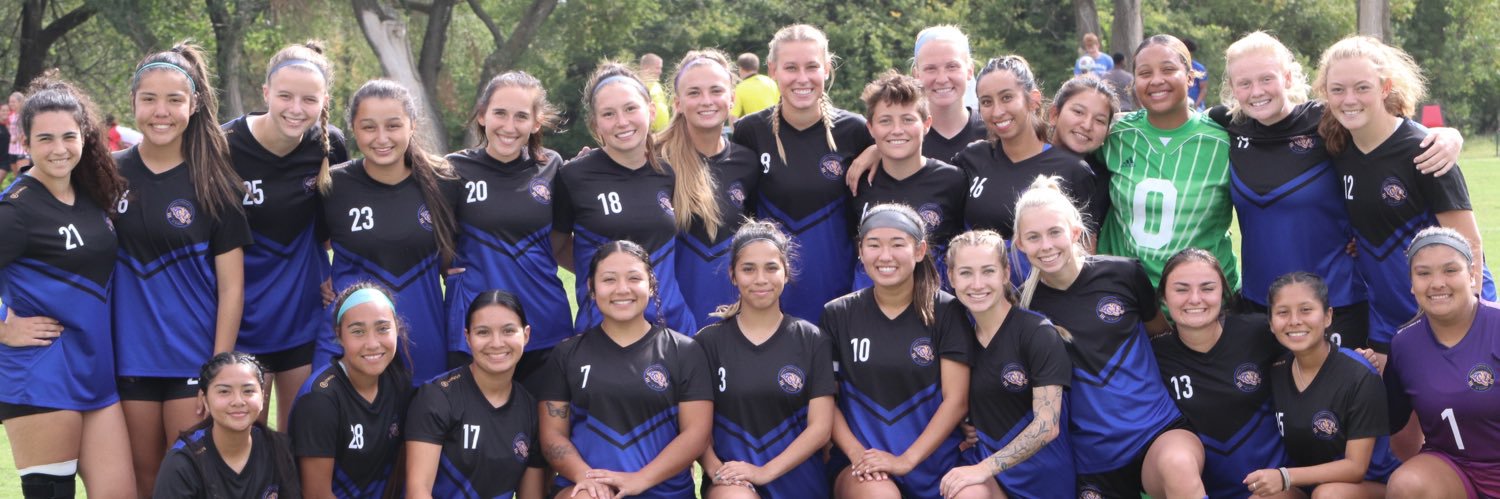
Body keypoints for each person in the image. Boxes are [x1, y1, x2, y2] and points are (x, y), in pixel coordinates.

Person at [1212, 31, 1465, 349]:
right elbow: (1176, 121)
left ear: (1288, 77)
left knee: (1339, 398)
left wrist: (1447, 135)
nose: (1256, 91)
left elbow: (1388, 128)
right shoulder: (1227, 126)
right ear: (1233, 89)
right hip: (1258, 305)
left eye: (1266, 78)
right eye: (1244, 83)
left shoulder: (1329, 120)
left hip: (1336, 304)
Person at [114, 43, 253, 497]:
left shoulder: (215, 182)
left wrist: (218, 371)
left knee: (193, 479)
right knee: (144, 476)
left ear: (193, 106)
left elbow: (232, 289)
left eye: (174, 99)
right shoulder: (103, 176)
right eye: (149, 99)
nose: (161, 111)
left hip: (192, 360)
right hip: (127, 358)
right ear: (132, 102)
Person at [1012, 176, 1206, 497]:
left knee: (1178, 466)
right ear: (1020, 244)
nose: (1046, 245)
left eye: (1054, 232)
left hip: (1156, 431)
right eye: (1033, 237)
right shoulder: (1023, 309)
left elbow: (1160, 336)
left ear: (1075, 232)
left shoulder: (1124, 274)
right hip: (1092, 459)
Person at [1315, 35, 1494, 361]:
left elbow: (1470, 243)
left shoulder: (1425, 149)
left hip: (1449, 315)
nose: (1349, 99)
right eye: (1337, 89)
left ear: (1385, 88)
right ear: (1325, 93)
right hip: (1388, 321)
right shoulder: (1339, 147)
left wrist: (1474, 320)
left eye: (1362, 87)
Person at [0, 78, 134, 499]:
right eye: (45, 138)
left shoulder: (92, 194)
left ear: (84, 136)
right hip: (41, 373)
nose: (59, 148)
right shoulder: (15, 209)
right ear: (25, 141)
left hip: (95, 371)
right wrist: (4, 326)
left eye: (68, 136)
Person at [226, 40, 350, 428]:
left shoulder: (330, 146)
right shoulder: (223, 146)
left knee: (301, 438)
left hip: (304, 311)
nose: (296, 109)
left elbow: (336, 230)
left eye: (308, 99)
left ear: (323, 100)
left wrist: (339, 276)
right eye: (285, 96)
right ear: (266, 93)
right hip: (239, 315)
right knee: (246, 439)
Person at [537, 240, 713, 498]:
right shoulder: (567, 354)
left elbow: (696, 433)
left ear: (651, 285)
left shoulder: (684, 351)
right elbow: (552, 435)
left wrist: (640, 480)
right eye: (609, 280)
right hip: (589, 487)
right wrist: (586, 477)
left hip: (662, 490)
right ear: (591, 288)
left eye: (634, 278)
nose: (622, 289)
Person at [824, 203, 972, 498]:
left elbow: (956, 401)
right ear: (860, 251)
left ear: (919, 251)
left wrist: (906, 461)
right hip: (864, 467)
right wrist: (858, 455)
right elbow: (827, 400)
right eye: (874, 245)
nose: (885, 256)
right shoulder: (838, 314)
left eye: (897, 244)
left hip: (934, 464)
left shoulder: (947, 311)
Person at [731, 23, 875, 325]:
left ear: (826, 68)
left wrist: (878, 149)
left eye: (812, 67)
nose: (802, 78)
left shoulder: (855, 130)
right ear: (773, 70)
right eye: (790, 68)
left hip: (836, 291)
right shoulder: (749, 131)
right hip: (770, 298)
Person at [320, 79, 460, 383]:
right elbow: (305, 246)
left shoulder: (443, 181)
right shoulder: (332, 184)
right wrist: (321, 278)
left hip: (425, 338)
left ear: (412, 126)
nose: (381, 138)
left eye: (393, 125)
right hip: (351, 338)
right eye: (369, 127)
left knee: (424, 428)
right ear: (354, 130)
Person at [695, 220, 837, 498]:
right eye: (748, 269)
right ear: (733, 275)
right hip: (734, 482)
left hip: (799, 482)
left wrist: (764, 472)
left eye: (771, 267)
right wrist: (716, 471)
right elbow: (695, 428)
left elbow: (820, 429)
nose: (761, 279)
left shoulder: (812, 340)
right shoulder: (707, 343)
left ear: (785, 273)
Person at [445, 71, 570, 380]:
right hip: (475, 328)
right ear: (483, 114)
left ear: (536, 123)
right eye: (500, 113)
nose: (509, 127)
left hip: (545, 324)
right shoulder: (452, 170)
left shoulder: (553, 166)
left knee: (546, 427)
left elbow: (558, 242)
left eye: (521, 116)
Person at [554, 62, 695, 335]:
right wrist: (603, 275)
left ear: (651, 111)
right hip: (604, 332)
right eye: (609, 114)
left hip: (672, 328)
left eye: (631, 108)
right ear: (595, 124)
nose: (622, 121)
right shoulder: (573, 176)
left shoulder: (668, 172)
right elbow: (556, 247)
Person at [1096, 34, 1238, 292]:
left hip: (1205, 302)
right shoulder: (1113, 135)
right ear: (1134, 82)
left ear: (1190, 76)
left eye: (1168, 69)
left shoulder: (1224, 141)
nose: (1156, 80)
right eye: (1145, 73)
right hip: (1127, 302)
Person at [938, 230, 1073, 499]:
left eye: (988, 271)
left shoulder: (1036, 333)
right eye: (965, 273)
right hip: (990, 478)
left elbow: (1048, 426)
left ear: (1005, 273)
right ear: (951, 277)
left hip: (1041, 480)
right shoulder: (959, 337)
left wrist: (983, 468)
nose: (977, 284)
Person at [1150, 248, 1287, 499]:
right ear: (1163, 299)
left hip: (1273, 487)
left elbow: (1313, 351)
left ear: (1223, 293)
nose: (1195, 299)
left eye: (1207, 288)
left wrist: (1358, 358)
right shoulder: (1155, 355)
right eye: (1181, 289)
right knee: (1174, 459)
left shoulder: (1259, 332)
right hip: (1199, 489)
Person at [1252, 272, 1398, 498]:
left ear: (1328, 316)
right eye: (1282, 312)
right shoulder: (1277, 370)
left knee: (1330, 495)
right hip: (1309, 486)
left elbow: (1355, 468)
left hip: (1368, 486)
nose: (1294, 320)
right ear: (1271, 323)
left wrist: (1285, 476)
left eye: (1306, 310)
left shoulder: (1358, 374)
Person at [1384, 227, 1500, 498]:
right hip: (1454, 469)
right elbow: (1394, 425)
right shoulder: (1404, 345)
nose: (1437, 283)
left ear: (1472, 275)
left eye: (1450, 270)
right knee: (1406, 484)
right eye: (1424, 273)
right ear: (1412, 284)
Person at [658, 50, 763, 329]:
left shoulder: (748, 161)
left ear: (731, 99)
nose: (706, 101)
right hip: (670, 325)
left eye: (716, 90)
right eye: (694, 93)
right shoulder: (654, 162)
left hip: (735, 322)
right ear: (678, 103)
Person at [406, 290, 545, 498]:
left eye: (508, 331)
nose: (496, 343)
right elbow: (418, 491)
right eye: (483, 332)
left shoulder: (530, 410)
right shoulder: (436, 397)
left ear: (525, 335)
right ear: (467, 338)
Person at [289, 283, 413, 498]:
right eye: (358, 332)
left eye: (383, 328)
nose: (372, 343)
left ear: (397, 327)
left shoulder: (397, 380)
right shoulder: (320, 400)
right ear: (339, 335)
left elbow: (399, 468)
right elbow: (317, 494)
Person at [849, 71, 966, 289]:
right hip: (872, 310)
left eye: (908, 119)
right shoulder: (857, 182)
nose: (897, 130)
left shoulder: (953, 180)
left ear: (927, 124)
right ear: (870, 128)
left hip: (933, 309)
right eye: (885, 121)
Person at [845, 25, 985, 192]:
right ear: (916, 74)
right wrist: (878, 149)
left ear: (969, 71)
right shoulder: (898, 140)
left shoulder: (992, 132)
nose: (942, 79)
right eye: (930, 68)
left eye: (952, 66)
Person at [153, 352, 301, 498]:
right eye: (224, 391)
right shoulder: (182, 463)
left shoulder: (278, 449)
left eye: (248, 391)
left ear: (263, 396)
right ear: (205, 400)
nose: (238, 401)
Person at [730, 52, 779, 121]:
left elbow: (733, 116)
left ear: (741, 68)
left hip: (755, 129)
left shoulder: (740, 88)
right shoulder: (770, 82)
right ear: (756, 67)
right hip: (775, 127)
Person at [641, 53, 672, 133]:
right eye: (657, 68)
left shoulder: (657, 84)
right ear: (646, 68)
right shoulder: (640, 86)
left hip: (663, 132)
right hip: (651, 133)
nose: (660, 71)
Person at [1184, 38, 1210, 111]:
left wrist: (1196, 105)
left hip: (1196, 106)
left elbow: (1203, 89)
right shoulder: (1176, 67)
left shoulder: (1199, 68)